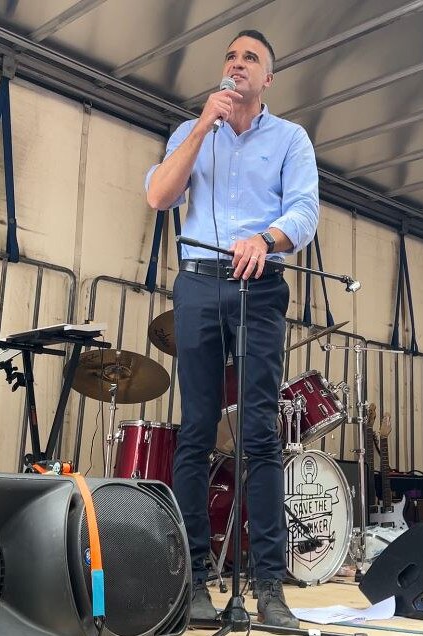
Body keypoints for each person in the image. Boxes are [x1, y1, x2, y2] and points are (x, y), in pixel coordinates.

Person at [146, 30, 319, 628]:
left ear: (268, 78)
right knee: (195, 430)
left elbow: (304, 211)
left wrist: (265, 239)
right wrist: (199, 128)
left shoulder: (290, 139)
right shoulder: (194, 130)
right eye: (231, 57)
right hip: (197, 281)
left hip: (260, 284)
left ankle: (270, 588)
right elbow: (158, 195)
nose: (237, 65)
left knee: (261, 434)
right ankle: (192, 580)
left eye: (251, 59)